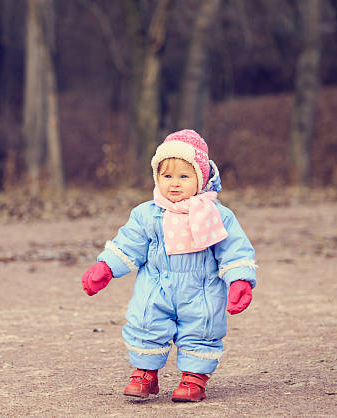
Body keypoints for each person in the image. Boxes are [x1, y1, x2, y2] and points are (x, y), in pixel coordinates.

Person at [81, 129, 257, 402]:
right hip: (156, 285)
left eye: (184, 177)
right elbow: (129, 243)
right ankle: (145, 373)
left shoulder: (216, 215)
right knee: (146, 323)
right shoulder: (146, 213)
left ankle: (194, 377)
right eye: (167, 176)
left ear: (201, 178)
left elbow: (233, 250)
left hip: (201, 288)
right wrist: (106, 267)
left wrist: (240, 280)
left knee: (202, 328)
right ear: (157, 177)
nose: (174, 184)